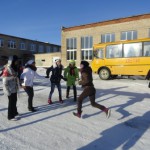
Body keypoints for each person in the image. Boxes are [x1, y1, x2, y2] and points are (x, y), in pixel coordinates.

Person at [2, 55, 20, 121]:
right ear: (11, 61)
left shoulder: (14, 67)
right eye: (16, 61)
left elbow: (15, 77)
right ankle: (10, 116)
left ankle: (14, 112)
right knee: (11, 103)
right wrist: (7, 91)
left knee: (14, 101)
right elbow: (4, 81)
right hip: (10, 89)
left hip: (14, 88)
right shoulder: (7, 69)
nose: (17, 62)